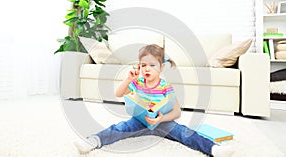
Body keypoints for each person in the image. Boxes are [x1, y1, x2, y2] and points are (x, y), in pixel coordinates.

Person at [74, 44, 234, 157]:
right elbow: (118, 93)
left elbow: (176, 112)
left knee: (187, 134)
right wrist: (127, 80)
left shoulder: (166, 86)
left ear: (161, 67)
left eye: (152, 65)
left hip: (163, 123)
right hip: (138, 121)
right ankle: (92, 141)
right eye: (143, 65)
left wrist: (161, 118)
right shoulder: (137, 83)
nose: (147, 69)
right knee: (117, 129)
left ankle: (214, 149)